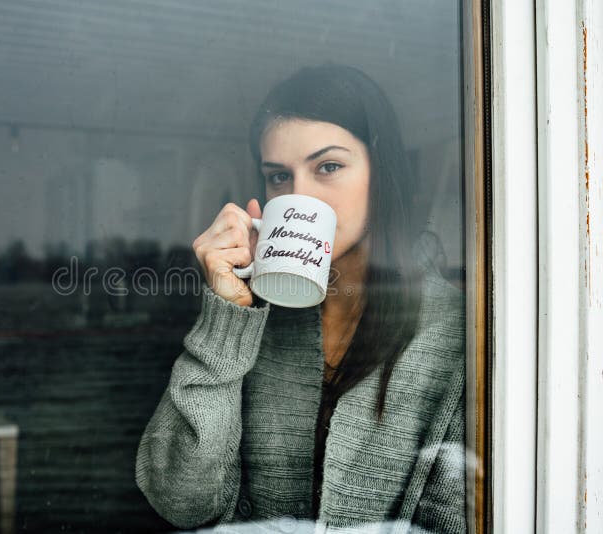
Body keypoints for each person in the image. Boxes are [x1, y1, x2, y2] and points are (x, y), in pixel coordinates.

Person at [136, 63, 466, 533]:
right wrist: (226, 317)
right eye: (278, 177)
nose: (300, 195)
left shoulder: (456, 333)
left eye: (328, 167)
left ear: (382, 170)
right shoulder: (252, 320)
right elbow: (181, 501)